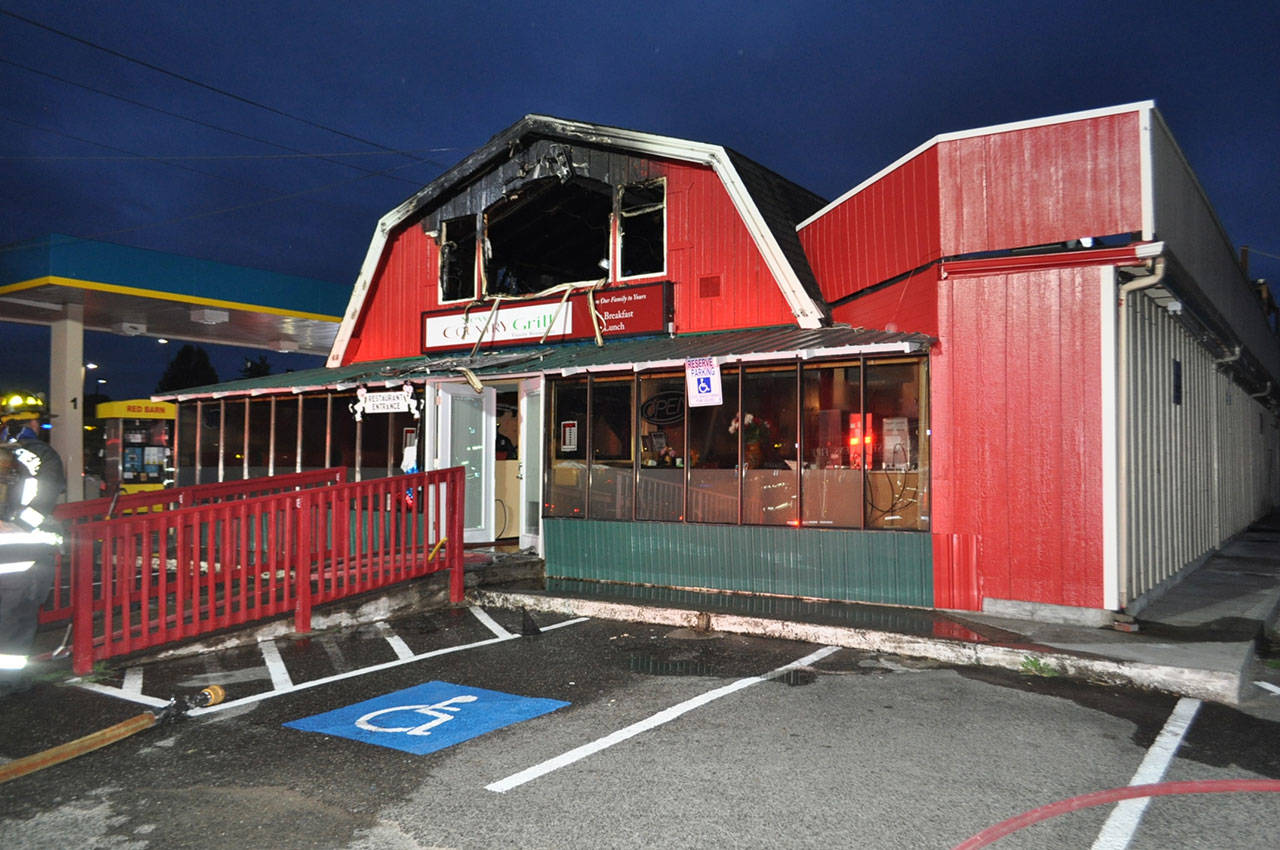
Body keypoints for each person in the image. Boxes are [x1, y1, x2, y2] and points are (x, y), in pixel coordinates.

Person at [0, 403, 66, 697]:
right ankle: (9, 683)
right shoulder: (42, 454)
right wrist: (20, 526)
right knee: (18, 619)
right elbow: (47, 495)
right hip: (23, 553)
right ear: (32, 424)